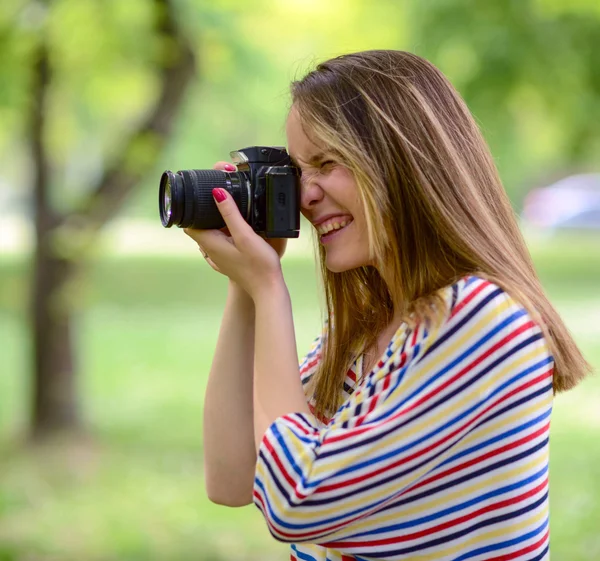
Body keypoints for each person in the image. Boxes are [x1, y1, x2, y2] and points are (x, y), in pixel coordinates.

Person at [184, 50, 591, 561]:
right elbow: (231, 478)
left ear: (401, 162)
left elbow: (297, 502)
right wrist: (244, 287)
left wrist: (269, 290)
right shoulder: (369, 328)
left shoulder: (480, 318)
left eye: (327, 163)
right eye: (297, 171)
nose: (305, 196)